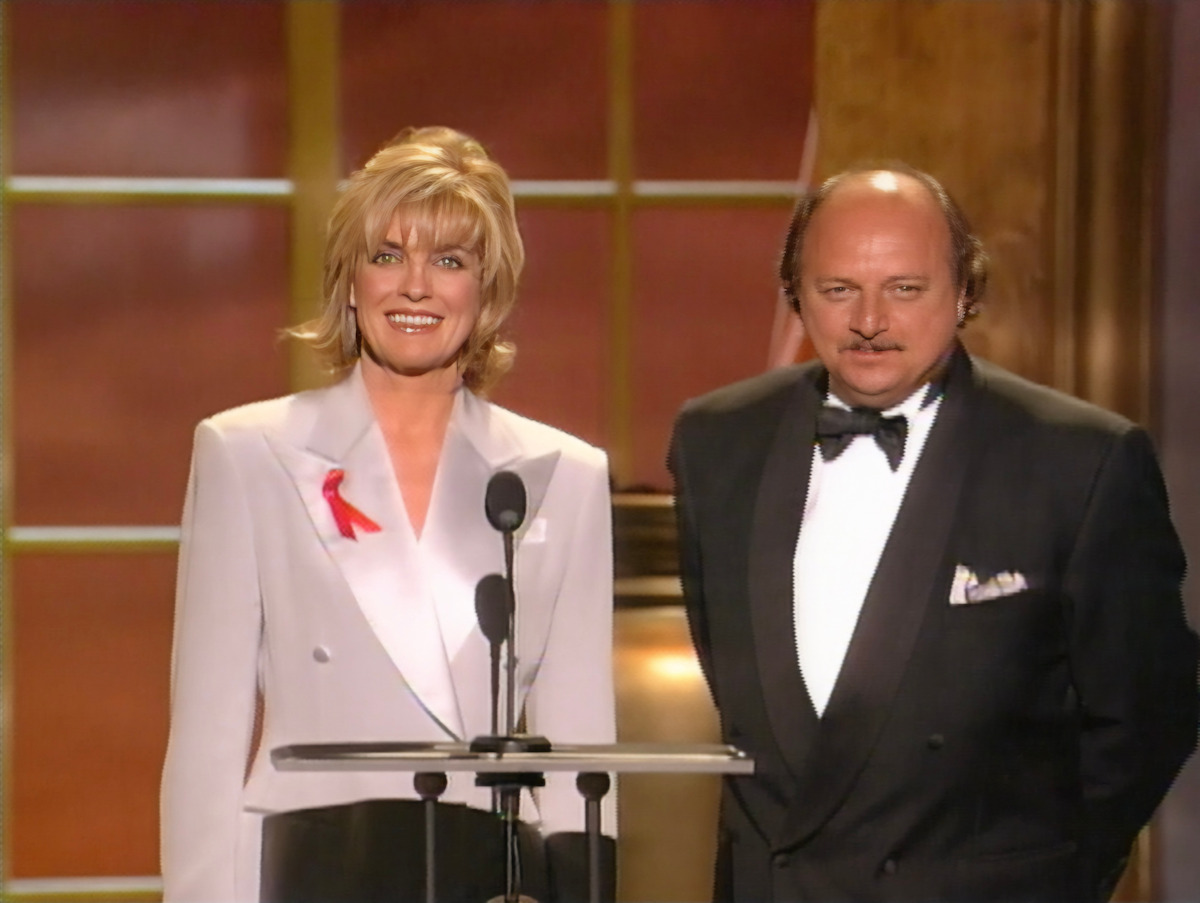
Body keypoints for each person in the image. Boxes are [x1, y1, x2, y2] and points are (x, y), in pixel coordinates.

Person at [668, 165, 1198, 902]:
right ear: (796, 293)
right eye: (838, 289)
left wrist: (1039, 876)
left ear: (964, 292)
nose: (870, 320)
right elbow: (738, 683)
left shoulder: (1080, 461)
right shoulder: (716, 441)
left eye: (905, 288)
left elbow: (1148, 716)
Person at [160, 126, 616, 902]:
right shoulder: (248, 452)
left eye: (449, 260)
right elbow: (205, 742)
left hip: (491, 872)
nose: (415, 286)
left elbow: (583, 750)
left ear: (487, 287)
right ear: (348, 280)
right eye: (387, 255)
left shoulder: (563, 475)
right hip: (308, 866)